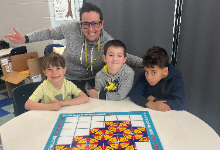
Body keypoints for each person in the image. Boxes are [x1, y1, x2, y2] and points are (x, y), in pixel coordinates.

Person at [4, 2, 142, 94]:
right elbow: (49, 32)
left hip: (93, 82)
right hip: (67, 79)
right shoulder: (70, 28)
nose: (91, 29)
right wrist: (26, 39)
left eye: (95, 24)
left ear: (102, 23)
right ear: (80, 23)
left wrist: (147, 63)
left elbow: (123, 57)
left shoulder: (108, 42)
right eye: (86, 24)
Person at [25, 52, 89, 111]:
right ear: (45, 72)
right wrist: (50, 107)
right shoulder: (43, 87)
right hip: (49, 117)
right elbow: (28, 105)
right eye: (50, 69)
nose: (54, 73)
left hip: (65, 115)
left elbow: (85, 98)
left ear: (64, 70)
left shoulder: (68, 84)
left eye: (58, 68)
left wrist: (62, 103)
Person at [129, 46, 185, 111]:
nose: (148, 77)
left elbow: (180, 103)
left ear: (165, 71)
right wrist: (151, 104)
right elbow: (134, 94)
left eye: (153, 72)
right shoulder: (144, 75)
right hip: (148, 112)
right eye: (146, 71)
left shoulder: (176, 78)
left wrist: (154, 100)